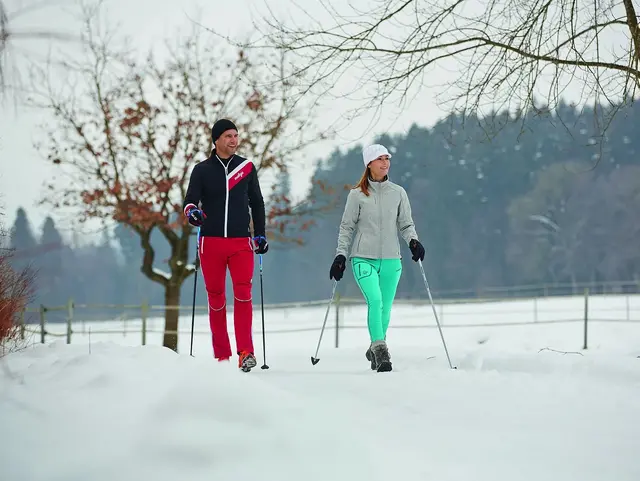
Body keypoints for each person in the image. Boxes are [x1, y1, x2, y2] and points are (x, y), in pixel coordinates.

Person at [329, 143, 425, 372]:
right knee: (375, 300)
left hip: (392, 259)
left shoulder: (398, 193)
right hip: (363, 258)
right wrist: (341, 255)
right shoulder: (357, 195)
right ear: (369, 164)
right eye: (380, 159)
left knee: (386, 307)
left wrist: (413, 241)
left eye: (387, 158)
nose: (385, 162)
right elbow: (346, 227)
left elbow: (406, 223)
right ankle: (381, 350)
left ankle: (374, 344)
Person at [183, 118, 269, 372]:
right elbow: (190, 201)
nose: (234, 140)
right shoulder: (201, 170)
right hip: (210, 243)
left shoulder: (246, 167)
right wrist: (192, 213)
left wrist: (260, 234)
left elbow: (258, 203)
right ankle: (222, 356)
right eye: (229, 136)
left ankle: (246, 352)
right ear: (217, 140)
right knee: (216, 300)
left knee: (244, 296)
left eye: (236, 136)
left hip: (242, 242)